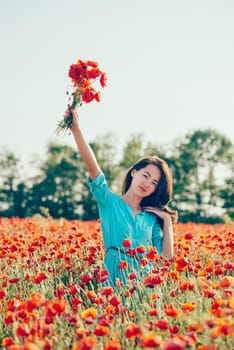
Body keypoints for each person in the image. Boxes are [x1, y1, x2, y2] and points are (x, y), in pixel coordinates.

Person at [67, 108, 177, 289]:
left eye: (155, 182)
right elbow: (94, 169)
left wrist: (167, 222)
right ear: (134, 172)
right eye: (146, 175)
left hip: (144, 289)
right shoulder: (109, 203)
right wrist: (76, 130)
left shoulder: (151, 219)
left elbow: (166, 257)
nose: (147, 183)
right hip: (113, 283)